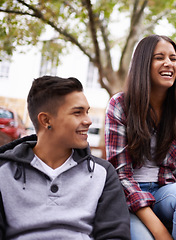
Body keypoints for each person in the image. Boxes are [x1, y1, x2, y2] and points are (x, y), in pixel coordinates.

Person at [105, 34, 176, 240]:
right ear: (143, 63)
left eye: (173, 58)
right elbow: (120, 175)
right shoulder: (120, 105)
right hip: (128, 199)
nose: (168, 63)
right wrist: (162, 234)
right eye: (159, 57)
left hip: (167, 193)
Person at [0, 76, 131, 239]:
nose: (88, 121)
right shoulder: (3, 172)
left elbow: (114, 235)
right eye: (78, 112)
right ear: (46, 120)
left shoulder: (103, 173)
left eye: (87, 112)